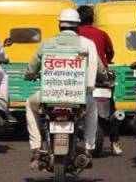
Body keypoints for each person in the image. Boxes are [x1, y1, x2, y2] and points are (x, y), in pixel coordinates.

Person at [24, 9, 103, 170]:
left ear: (59, 25)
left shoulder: (47, 43)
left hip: (49, 96)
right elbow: (100, 70)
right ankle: (88, 148)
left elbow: (31, 69)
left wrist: (30, 75)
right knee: (93, 106)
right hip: (78, 98)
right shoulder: (88, 44)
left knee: (29, 104)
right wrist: (103, 77)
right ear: (78, 26)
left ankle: (36, 147)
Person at [77, 5, 122, 157]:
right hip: (101, 77)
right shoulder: (102, 34)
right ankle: (115, 142)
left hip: (79, 76)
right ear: (93, 19)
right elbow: (110, 53)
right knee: (113, 110)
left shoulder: (75, 35)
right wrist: (106, 62)